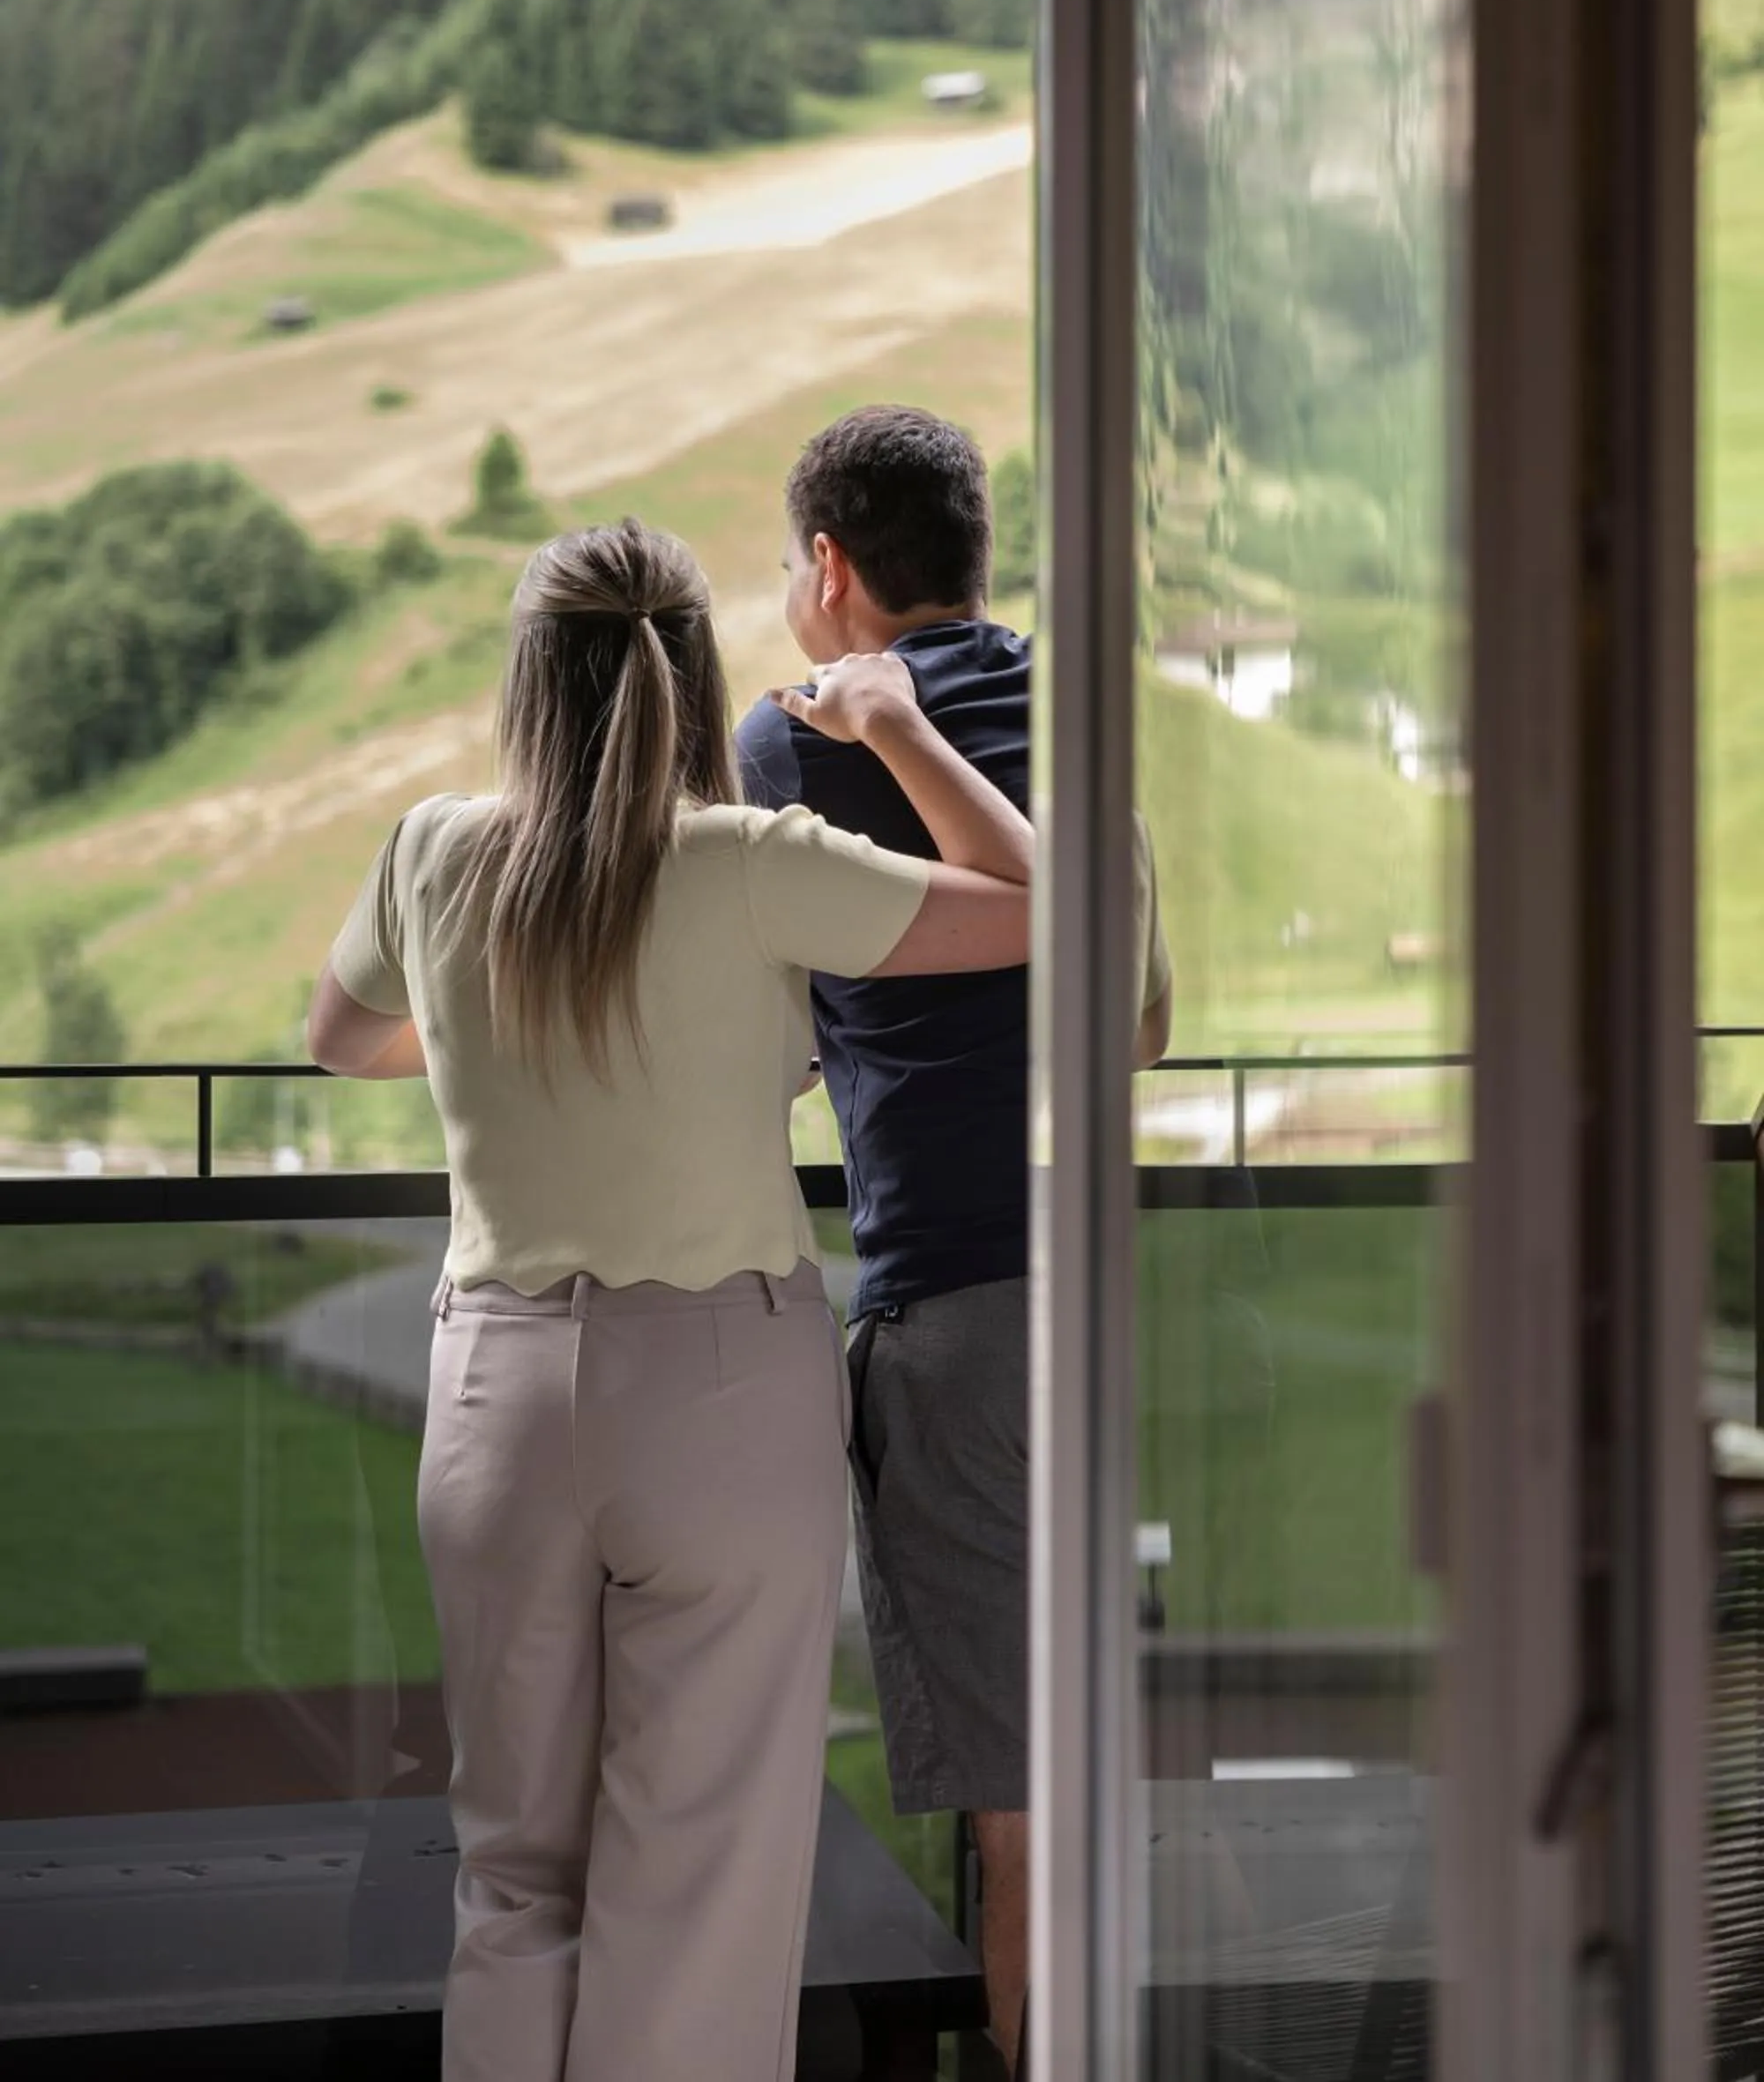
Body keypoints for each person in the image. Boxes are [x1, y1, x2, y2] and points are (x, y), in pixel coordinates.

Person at [306, 517, 1033, 2082]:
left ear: (526, 680)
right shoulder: (752, 864)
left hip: (497, 1396)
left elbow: (340, 1038)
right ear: (693, 674)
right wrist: (893, 723)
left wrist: (510, 1013)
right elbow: (1032, 901)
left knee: (512, 1872)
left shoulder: (434, 851)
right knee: (697, 1871)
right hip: (721, 1395)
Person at [737, 407, 1171, 2075]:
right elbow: (1134, 1027)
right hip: (1112, 1301)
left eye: (791, 563)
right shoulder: (1086, 715)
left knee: (1017, 1807)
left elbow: (750, 1012)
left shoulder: (788, 749)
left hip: (955, 1311)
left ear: (831, 570)